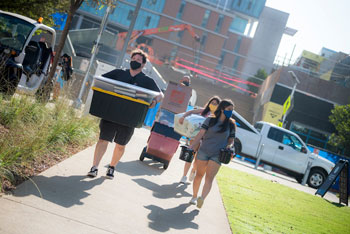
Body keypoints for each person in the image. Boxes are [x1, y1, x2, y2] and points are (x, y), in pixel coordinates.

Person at [87, 50, 163, 179]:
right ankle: (94, 167)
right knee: (103, 140)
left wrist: (154, 101)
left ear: (143, 64)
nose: (135, 61)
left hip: (130, 118)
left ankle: (112, 167)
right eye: (133, 58)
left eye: (138, 60)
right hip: (110, 114)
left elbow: (160, 94)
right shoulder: (118, 73)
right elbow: (101, 80)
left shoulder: (146, 80)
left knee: (121, 145)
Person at [187, 99, 236, 208]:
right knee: (199, 175)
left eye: (232, 110)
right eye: (229, 109)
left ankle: (202, 198)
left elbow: (231, 140)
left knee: (209, 178)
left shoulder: (231, 125)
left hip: (218, 155)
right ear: (222, 109)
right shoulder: (210, 120)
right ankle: (194, 197)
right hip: (203, 151)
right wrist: (192, 145)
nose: (230, 112)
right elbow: (200, 134)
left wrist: (230, 147)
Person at [178, 96, 221, 184]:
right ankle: (184, 176)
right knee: (190, 156)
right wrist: (183, 116)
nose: (213, 105)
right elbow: (191, 112)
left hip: (206, 142)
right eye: (212, 103)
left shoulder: (217, 117)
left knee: (198, 161)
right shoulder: (204, 111)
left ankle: (193, 170)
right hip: (195, 138)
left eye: (215, 104)